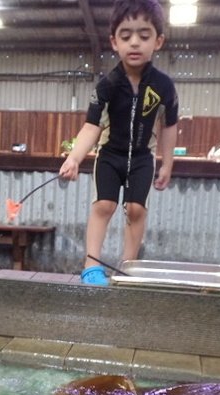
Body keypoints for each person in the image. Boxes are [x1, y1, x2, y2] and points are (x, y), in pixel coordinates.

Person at [59, 0, 179, 286]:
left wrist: (167, 163)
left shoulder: (164, 86)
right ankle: (91, 266)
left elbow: (169, 126)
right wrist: (74, 157)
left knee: (136, 209)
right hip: (109, 155)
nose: (134, 43)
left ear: (158, 41)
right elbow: (91, 126)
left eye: (144, 35)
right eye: (126, 36)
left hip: (141, 158)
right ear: (114, 42)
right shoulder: (107, 85)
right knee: (104, 205)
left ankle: (127, 269)